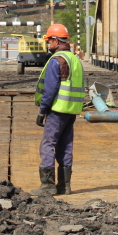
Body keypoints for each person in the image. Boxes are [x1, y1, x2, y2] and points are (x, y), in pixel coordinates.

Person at [32, 23, 85, 196]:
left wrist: (42, 110)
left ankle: (47, 185)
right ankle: (64, 185)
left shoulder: (57, 60)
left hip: (57, 109)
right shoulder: (74, 59)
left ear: (55, 40)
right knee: (66, 145)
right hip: (72, 110)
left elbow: (50, 89)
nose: (48, 44)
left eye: (49, 41)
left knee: (48, 144)